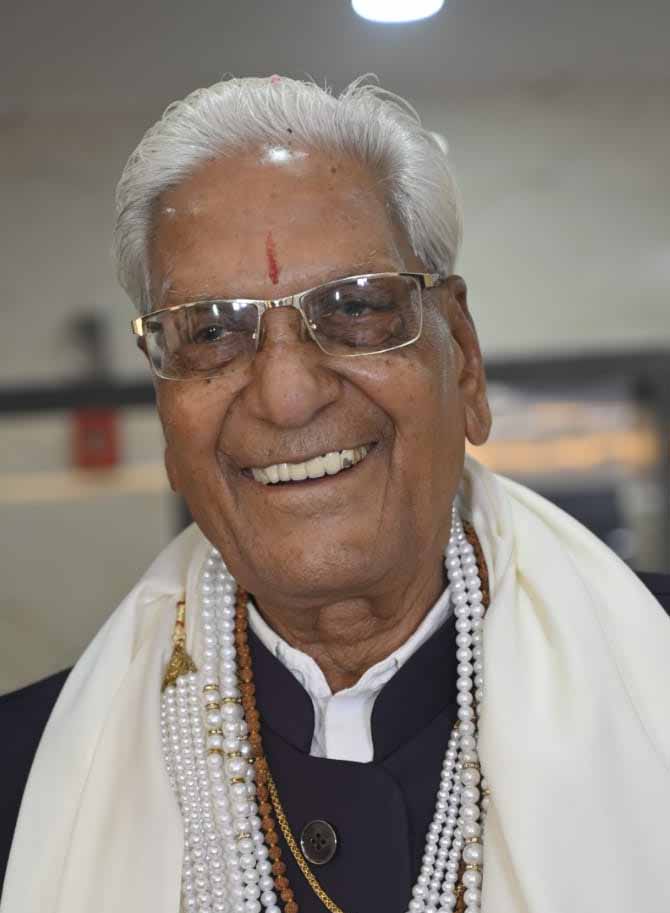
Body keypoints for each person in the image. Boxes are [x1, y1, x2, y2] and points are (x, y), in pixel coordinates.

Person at [1, 76, 669, 913]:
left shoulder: (653, 675)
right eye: (211, 331)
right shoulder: (30, 783)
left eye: (355, 306)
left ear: (463, 359)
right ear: (165, 408)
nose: (286, 395)